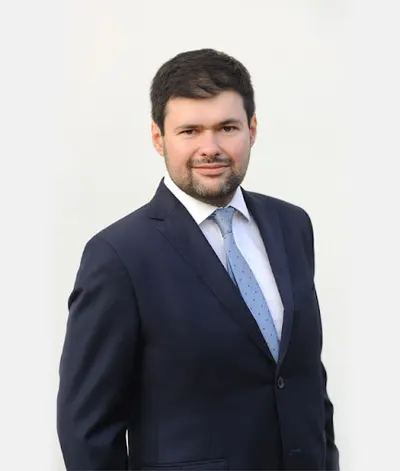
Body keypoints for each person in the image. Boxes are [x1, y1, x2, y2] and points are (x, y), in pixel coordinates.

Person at [57, 48, 339, 471]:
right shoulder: (118, 256)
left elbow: (304, 377)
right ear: (159, 138)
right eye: (190, 131)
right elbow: (87, 431)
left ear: (252, 129)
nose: (211, 148)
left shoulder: (291, 225)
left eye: (227, 127)